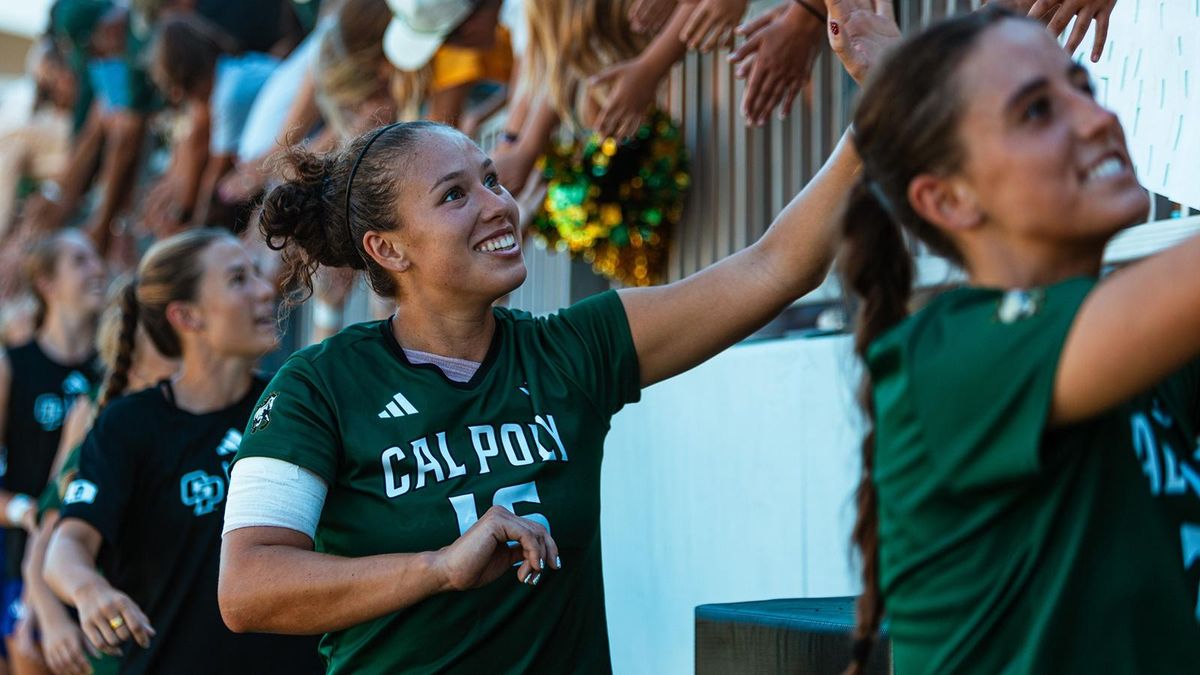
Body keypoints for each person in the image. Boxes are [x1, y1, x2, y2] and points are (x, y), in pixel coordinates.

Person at [215, 4, 890, 668]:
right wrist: (438, 568)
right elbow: (247, 588)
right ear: (388, 249)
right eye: (455, 195)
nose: (498, 203)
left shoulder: (574, 349)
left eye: (490, 179)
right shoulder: (317, 387)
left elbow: (776, 266)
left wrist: (885, 95)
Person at [838, 6, 1200, 674]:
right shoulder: (951, 356)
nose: (1098, 118)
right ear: (948, 200)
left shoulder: (1146, 358)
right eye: (1037, 111)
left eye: (1083, 86)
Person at [42, 229, 323, 674]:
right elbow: (66, 545)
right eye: (238, 280)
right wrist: (90, 591)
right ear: (187, 316)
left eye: (256, 274)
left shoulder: (292, 404)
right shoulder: (130, 424)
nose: (264, 291)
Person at [20, 278, 177, 675]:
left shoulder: (198, 414)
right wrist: (51, 619)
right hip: (115, 636)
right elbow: (48, 528)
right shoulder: (96, 414)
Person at [0, 230, 106, 662]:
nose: (97, 269)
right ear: (46, 283)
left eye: (96, 258)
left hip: (94, 560)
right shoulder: (12, 366)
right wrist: (27, 511)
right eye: (80, 261)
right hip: (25, 560)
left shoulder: (112, 367)